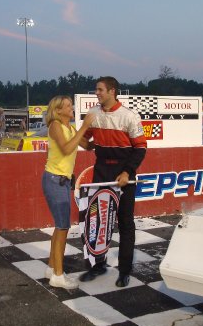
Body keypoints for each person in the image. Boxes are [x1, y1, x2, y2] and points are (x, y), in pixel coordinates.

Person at [79, 76, 147, 288]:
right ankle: (98, 266)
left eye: (100, 90)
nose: (96, 93)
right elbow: (84, 140)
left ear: (112, 91)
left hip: (124, 173)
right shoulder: (93, 114)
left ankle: (124, 270)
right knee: (98, 221)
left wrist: (127, 172)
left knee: (125, 222)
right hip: (101, 170)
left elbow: (141, 148)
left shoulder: (129, 116)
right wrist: (79, 138)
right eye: (96, 90)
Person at [42, 96, 95, 289]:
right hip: (55, 180)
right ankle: (58, 275)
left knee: (60, 226)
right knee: (63, 227)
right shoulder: (56, 125)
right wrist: (84, 126)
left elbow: (88, 146)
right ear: (58, 111)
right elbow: (65, 149)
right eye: (67, 106)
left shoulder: (70, 128)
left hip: (62, 182)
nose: (71, 108)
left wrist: (100, 129)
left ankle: (51, 268)